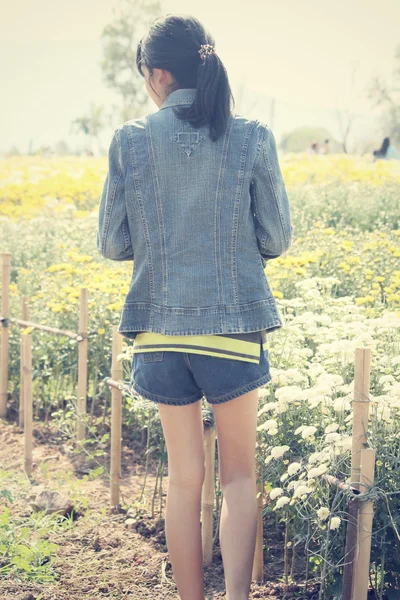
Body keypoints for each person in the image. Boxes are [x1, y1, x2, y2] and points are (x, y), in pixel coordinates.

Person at [97, 14, 293, 600]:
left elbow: (112, 244)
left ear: (157, 74)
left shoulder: (130, 140)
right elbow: (276, 238)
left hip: (158, 332)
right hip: (232, 330)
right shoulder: (252, 136)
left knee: (184, 482)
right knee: (238, 476)